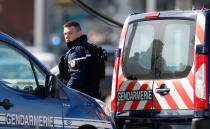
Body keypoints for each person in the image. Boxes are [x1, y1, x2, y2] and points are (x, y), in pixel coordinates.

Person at [61, 21, 101, 99]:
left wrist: (65, 93)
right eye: (65, 34)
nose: (67, 36)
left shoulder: (77, 51)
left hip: (82, 98)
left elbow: (76, 77)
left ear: (79, 34)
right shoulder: (88, 47)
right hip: (92, 95)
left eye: (70, 33)